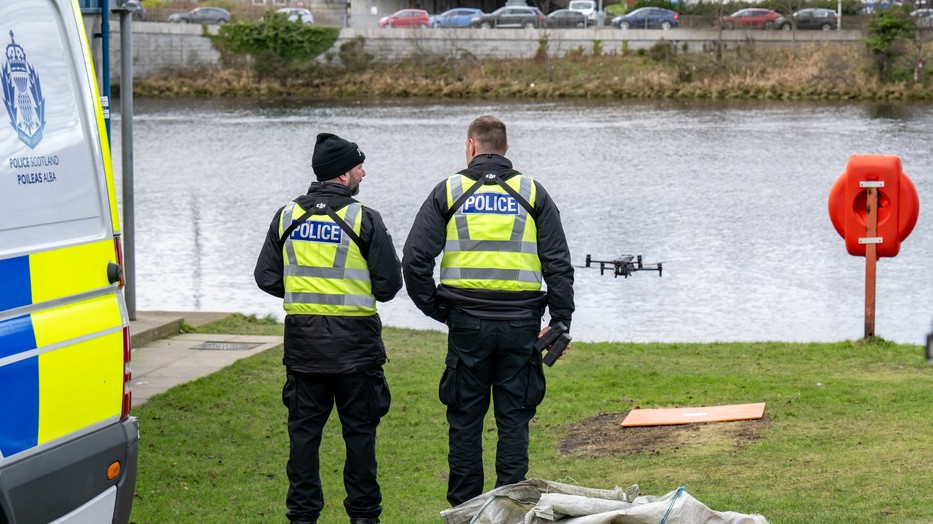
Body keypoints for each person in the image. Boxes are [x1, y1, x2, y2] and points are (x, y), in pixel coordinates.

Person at [402, 115, 574, 507]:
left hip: (466, 322)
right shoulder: (533, 193)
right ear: (506, 149)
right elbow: (558, 265)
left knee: (465, 420)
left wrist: (437, 309)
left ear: (471, 146)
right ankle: (511, 510)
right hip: (521, 325)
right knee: (514, 420)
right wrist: (560, 323)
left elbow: (414, 261)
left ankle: (465, 511)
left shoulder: (449, 191)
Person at [254, 133, 402, 524]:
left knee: (303, 438)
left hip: (304, 351)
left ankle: (302, 517)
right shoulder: (364, 218)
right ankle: (364, 517)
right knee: (360, 437)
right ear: (342, 175)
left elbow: (266, 277)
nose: (363, 172)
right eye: (358, 167)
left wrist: (306, 293)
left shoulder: (287, 216)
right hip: (356, 352)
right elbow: (389, 286)